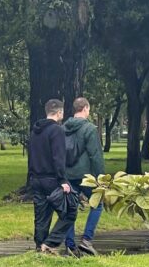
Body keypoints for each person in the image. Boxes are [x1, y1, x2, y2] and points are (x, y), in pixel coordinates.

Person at [27, 99, 78, 255]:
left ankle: (39, 245)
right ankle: (51, 243)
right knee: (70, 210)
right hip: (52, 179)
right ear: (59, 112)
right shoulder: (57, 130)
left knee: (41, 214)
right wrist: (62, 180)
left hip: (35, 178)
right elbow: (58, 157)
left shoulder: (35, 131)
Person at [63, 97, 105, 256]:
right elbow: (95, 155)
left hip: (68, 174)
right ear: (85, 108)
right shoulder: (89, 129)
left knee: (69, 208)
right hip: (86, 175)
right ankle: (87, 240)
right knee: (97, 204)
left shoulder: (63, 128)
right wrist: (101, 178)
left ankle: (69, 245)